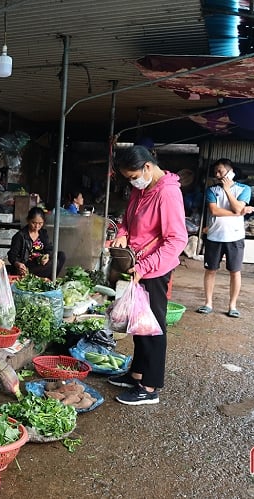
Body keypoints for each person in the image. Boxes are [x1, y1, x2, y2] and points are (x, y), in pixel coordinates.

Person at [107, 146, 188, 406]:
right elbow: (128, 220)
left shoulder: (167, 193)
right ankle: (137, 373)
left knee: (153, 327)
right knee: (139, 322)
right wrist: (122, 231)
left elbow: (177, 240)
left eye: (133, 176)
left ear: (148, 167)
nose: (132, 182)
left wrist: (145, 267)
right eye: (128, 178)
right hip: (137, 266)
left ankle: (150, 386)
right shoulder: (141, 189)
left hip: (154, 270)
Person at [196, 158, 254, 318]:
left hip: (235, 237)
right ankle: (208, 303)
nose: (217, 174)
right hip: (214, 236)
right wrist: (239, 212)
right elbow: (214, 211)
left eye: (220, 171)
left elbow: (236, 206)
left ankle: (232, 306)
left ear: (231, 172)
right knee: (210, 270)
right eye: (215, 172)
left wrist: (228, 190)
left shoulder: (245, 189)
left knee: (235, 271)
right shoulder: (211, 190)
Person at [8, 207, 66, 279]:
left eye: (40, 223)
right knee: (54, 263)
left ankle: (50, 280)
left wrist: (47, 256)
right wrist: (18, 264)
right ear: (28, 220)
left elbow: (49, 248)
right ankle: (44, 279)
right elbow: (12, 256)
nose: (37, 226)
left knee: (61, 255)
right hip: (27, 266)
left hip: (41, 263)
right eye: (34, 223)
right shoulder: (20, 236)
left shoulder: (42, 233)